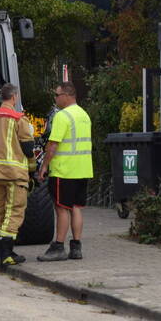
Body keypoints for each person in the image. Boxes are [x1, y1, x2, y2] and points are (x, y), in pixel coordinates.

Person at [36, 81, 93, 261]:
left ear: (67, 96)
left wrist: (44, 166)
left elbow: (53, 145)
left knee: (61, 209)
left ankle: (58, 247)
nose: (55, 98)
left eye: (57, 95)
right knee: (76, 207)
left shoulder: (62, 116)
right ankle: (76, 247)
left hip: (64, 170)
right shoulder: (84, 115)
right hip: (82, 169)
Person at [0, 83, 35, 267]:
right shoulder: (19, 119)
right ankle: (6, 254)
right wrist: (32, 168)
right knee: (14, 211)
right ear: (14, 97)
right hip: (14, 174)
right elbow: (28, 148)